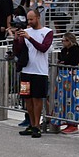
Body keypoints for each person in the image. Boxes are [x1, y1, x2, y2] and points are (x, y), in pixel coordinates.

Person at [16, 10, 54, 138]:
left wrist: (29, 38)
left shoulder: (47, 32)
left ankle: (37, 125)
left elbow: (43, 48)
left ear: (38, 18)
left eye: (31, 19)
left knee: (37, 99)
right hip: (27, 70)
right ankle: (32, 124)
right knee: (27, 99)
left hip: (40, 71)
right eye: (28, 20)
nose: (29, 22)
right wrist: (17, 39)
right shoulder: (27, 32)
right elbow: (18, 50)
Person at [51, 32, 79, 134]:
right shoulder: (64, 50)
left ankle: (73, 123)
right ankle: (62, 119)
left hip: (72, 76)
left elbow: (71, 61)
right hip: (63, 77)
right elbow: (62, 59)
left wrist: (63, 62)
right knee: (62, 99)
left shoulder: (75, 49)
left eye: (64, 40)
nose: (63, 42)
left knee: (72, 100)